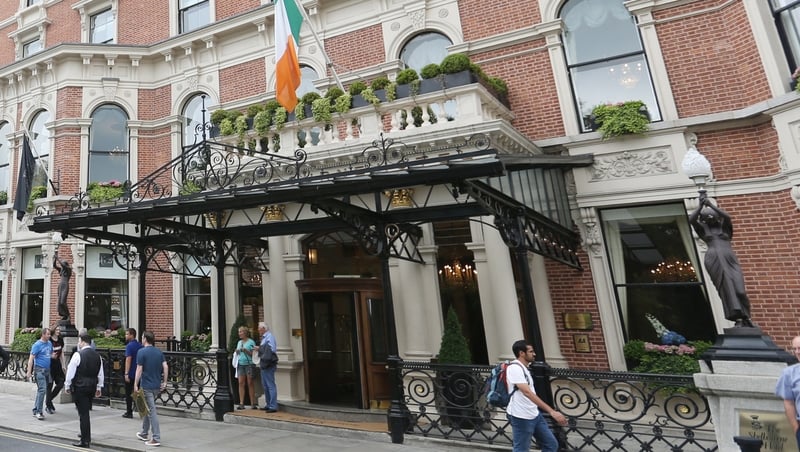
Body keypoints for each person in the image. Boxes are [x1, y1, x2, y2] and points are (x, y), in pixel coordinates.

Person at [688, 194, 754, 327]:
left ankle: (746, 316)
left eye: (712, 215)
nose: (710, 218)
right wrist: (700, 206)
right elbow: (691, 219)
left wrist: (711, 205)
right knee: (725, 289)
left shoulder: (725, 228)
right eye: (707, 217)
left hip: (729, 259)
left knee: (740, 290)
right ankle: (738, 319)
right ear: (704, 220)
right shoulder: (704, 230)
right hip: (714, 260)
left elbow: (727, 217)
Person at [506, 340, 567, 452]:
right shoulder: (514, 368)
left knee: (551, 445)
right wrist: (551, 411)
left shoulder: (525, 368)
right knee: (521, 449)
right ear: (521, 353)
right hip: (521, 416)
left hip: (534, 414)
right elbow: (527, 392)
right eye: (531, 351)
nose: (534, 354)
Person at [64, 333, 104, 448]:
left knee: (83, 414)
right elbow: (101, 373)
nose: (78, 343)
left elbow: (70, 371)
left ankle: (85, 440)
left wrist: (67, 385)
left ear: (82, 342)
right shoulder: (98, 356)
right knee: (85, 411)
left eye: (79, 341)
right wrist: (99, 387)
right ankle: (85, 434)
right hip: (91, 387)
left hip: (80, 387)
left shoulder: (78, 355)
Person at [134, 331, 168, 447]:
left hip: (146, 385)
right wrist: (165, 382)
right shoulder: (158, 352)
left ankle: (156, 438)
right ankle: (144, 433)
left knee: (151, 411)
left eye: (142, 337)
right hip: (156, 386)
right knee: (146, 409)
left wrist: (135, 384)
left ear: (145, 339)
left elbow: (139, 369)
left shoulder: (141, 352)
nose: (141, 339)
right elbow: (165, 366)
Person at [776, 336, 800, 451]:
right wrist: (796, 428)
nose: (797, 352)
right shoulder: (789, 373)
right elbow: (788, 402)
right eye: (794, 349)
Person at [26, 328, 52, 420]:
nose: (49, 336)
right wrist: (29, 371)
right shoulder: (37, 345)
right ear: (43, 335)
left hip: (47, 370)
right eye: (48, 334)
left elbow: (49, 354)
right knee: (42, 390)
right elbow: (31, 359)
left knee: (41, 390)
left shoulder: (49, 344)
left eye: (50, 334)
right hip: (39, 370)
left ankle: (35, 409)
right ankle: (39, 412)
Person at [235, 326, 257, 410]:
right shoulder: (239, 342)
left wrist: (246, 351)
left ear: (245, 333)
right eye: (239, 332)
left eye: (241, 332)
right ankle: (241, 403)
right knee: (241, 383)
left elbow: (253, 354)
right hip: (240, 364)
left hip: (249, 364)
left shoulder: (251, 342)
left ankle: (252, 403)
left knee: (250, 382)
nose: (239, 333)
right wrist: (237, 351)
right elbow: (237, 352)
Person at [45, 324, 66, 414]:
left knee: (61, 383)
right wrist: (50, 356)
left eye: (59, 330)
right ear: (53, 330)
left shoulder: (60, 340)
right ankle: (48, 405)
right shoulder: (48, 340)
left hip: (57, 365)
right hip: (49, 365)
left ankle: (49, 400)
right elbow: (44, 353)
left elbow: (61, 353)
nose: (58, 331)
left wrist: (63, 365)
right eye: (57, 330)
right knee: (49, 385)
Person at [258, 322, 278, 413]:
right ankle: (268, 404)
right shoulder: (265, 338)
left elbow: (272, 349)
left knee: (270, 385)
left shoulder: (269, 337)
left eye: (259, 328)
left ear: (263, 328)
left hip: (268, 364)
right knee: (265, 386)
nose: (258, 330)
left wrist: (260, 349)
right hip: (264, 364)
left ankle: (273, 406)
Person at [122, 328, 142, 419]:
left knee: (128, 393)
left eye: (127, 334)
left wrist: (126, 373)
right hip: (139, 373)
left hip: (131, 373)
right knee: (137, 392)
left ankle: (129, 412)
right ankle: (142, 410)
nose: (125, 336)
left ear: (132, 335)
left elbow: (128, 359)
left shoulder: (129, 346)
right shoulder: (140, 345)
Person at [53, 254, 72, 321]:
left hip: (65, 285)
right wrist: (55, 259)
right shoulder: (61, 270)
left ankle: (68, 315)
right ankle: (64, 315)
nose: (62, 265)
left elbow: (62, 265)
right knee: (59, 302)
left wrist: (58, 258)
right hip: (60, 285)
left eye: (63, 264)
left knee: (62, 302)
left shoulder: (68, 269)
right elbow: (54, 266)